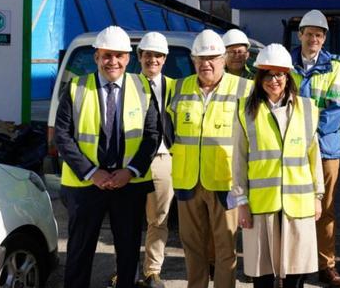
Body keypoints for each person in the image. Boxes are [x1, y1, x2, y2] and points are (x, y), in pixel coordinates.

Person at [54, 26, 159, 288]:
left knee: (128, 252)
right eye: (106, 55)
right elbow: (62, 136)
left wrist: (131, 171)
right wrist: (92, 172)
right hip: (86, 186)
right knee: (79, 251)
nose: (113, 61)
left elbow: (152, 135)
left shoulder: (143, 86)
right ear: (96, 57)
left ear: (128, 58)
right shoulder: (76, 87)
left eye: (119, 56)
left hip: (128, 185)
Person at [233, 43, 325, 288]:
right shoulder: (245, 110)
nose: (274, 80)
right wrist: (241, 203)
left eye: (280, 74)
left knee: (296, 272)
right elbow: (239, 160)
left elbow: (314, 156)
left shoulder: (307, 108)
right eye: (268, 74)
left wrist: (318, 196)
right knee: (262, 273)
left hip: (299, 204)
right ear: (259, 76)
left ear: (288, 76)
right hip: (262, 204)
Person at [168, 30, 254, 288]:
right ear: (193, 60)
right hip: (187, 181)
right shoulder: (179, 87)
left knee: (225, 249)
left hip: (224, 181)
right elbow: (167, 127)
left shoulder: (245, 88)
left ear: (224, 59)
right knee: (192, 247)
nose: (206, 63)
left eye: (213, 58)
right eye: (200, 58)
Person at [289, 10, 340, 287]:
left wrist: (307, 135)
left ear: (324, 38)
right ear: (300, 34)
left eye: (318, 34)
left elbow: (337, 108)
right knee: (290, 208)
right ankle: (294, 267)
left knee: (323, 209)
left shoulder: (336, 66)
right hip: (289, 148)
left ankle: (326, 266)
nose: (313, 38)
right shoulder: (285, 63)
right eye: (309, 33)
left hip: (325, 148)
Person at [136, 32, 176, 288]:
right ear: (139, 57)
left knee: (159, 218)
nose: (153, 59)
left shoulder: (176, 86)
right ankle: (125, 269)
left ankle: (152, 271)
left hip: (163, 157)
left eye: (158, 55)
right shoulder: (128, 84)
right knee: (126, 219)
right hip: (131, 160)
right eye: (148, 54)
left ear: (165, 59)